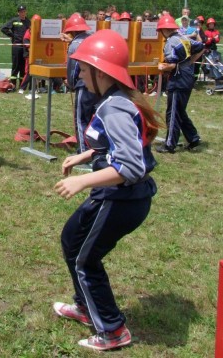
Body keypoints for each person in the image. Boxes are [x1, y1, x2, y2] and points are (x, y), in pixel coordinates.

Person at [52, 29, 160, 352]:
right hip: (118, 195)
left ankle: (113, 330)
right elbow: (115, 144)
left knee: (85, 260)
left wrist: (82, 181)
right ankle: (87, 307)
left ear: (100, 72)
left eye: (84, 69)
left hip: (122, 198)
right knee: (71, 239)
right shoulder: (115, 100)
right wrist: (85, 156)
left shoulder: (114, 108)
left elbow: (131, 167)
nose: (79, 75)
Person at [156, 13, 204, 153]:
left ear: (165, 30)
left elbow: (172, 64)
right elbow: (200, 46)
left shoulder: (170, 42)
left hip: (178, 79)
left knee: (173, 113)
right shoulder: (184, 38)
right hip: (188, 76)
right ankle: (193, 138)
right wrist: (190, 62)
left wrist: (162, 67)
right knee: (180, 110)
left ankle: (170, 144)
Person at [61, 13, 98, 153]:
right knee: (94, 119)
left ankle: (83, 152)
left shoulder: (75, 45)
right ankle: (96, 150)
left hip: (83, 85)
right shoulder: (92, 39)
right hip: (98, 85)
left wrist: (71, 83)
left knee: (81, 120)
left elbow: (73, 68)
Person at [1, 5, 30, 91]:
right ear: (18, 13)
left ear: (26, 12)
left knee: (23, 67)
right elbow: (4, 28)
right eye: (21, 12)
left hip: (25, 47)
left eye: (24, 11)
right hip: (16, 46)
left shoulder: (28, 22)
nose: (22, 13)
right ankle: (12, 85)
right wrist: (12, 36)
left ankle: (22, 86)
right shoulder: (14, 20)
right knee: (15, 66)